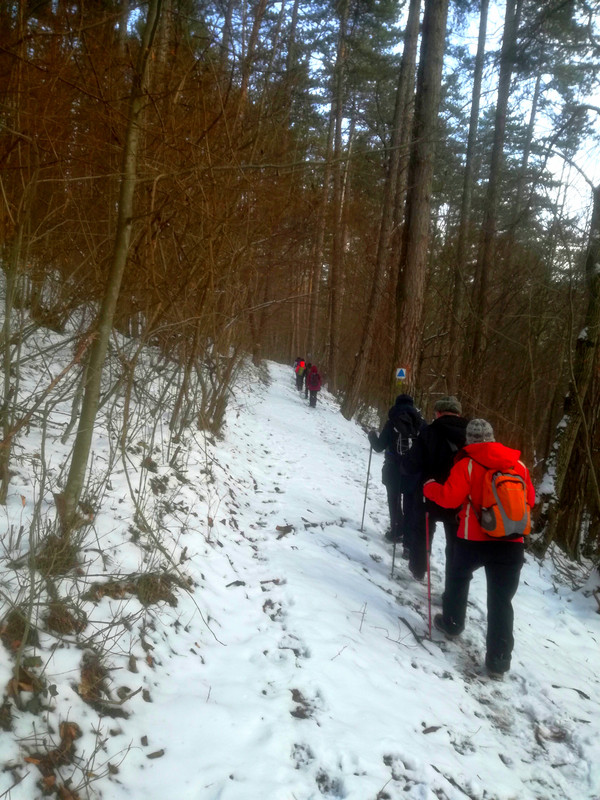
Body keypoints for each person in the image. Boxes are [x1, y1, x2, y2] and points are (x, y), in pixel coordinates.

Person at [423, 419, 535, 677]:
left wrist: (429, 488)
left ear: (469, 440)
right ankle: (499, 661)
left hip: (472, 540)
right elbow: (529, 500)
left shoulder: (467, 464)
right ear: (493, 438)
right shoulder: (518, 465)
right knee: (501, 601)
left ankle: (452, 623)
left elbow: (449, 498)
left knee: (458, 577)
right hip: (511, 542)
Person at [402, 396, 467, 580]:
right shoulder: (471, 436)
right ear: (458, 413)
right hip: (458, 497)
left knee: (422, 533)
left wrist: (404, 464)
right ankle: (454, 585)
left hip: (428, 494)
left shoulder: (428, 432)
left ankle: (418, 569)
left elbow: (411, 465)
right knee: (455, 543)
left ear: (438, 413)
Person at [368, 394, 426, 545]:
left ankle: (396, 530)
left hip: (393, 468)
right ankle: (408, 543)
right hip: (413, 470)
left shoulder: (392, 421)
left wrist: (372, 436)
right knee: (410, 506)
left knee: (394, 500)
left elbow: (379, 447)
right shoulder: (421, 423)